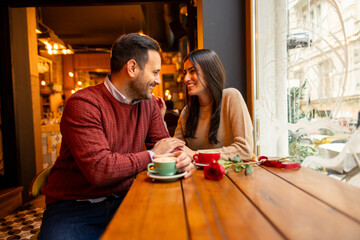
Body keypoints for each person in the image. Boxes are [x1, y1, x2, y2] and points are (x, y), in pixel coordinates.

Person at [39, 33, 194, 240]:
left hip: (128, 198)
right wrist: (152, 155)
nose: (158, 80)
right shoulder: (83, 104)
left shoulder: (148, 104)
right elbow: (99, 170)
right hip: (74, 207)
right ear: (132, 68)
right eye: (155, 72)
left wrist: (182, 158)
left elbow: (167, 146)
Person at [172, 49, 254, 160]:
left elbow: (245, 150)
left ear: (209, 72)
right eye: (185, 73)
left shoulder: (231, 97)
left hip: (231, 176)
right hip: (196, 176)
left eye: (192, 71)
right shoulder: (186, 112)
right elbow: (176, 149)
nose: (186, 78)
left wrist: (196, 155)